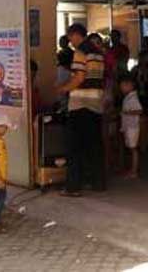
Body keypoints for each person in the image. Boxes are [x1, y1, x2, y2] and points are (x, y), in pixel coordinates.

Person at [57, 23, 106, 196]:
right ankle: (97, 182)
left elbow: (79, 77)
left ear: (76, 35)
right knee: (94, 145)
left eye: (70, 38)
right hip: (96, 103)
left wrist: (63, 89)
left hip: (80, 104)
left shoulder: (80, 52)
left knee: (74, 147)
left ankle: (73, 187)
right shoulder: (98, 52)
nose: (70, 42)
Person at [119, 75, 143, 179]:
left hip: (132, 126)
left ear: (130, 86)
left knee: (133, 148)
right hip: (128, 126)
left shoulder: (133, 98)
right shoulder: (128, 97)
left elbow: (139, 110)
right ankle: (131, 169)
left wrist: (127, 112)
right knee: (130, 148)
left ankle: (134, 171)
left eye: (123, 86)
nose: (121, 89)